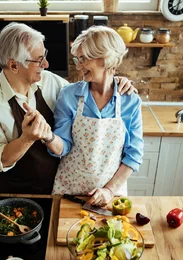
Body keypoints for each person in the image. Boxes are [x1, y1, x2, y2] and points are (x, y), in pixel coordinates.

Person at [0, 22, 136, 195]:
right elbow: (0, 160)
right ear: (14, 65)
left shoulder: (51, 82)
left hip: (60, 188)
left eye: (45, 56)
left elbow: (87, 91)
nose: (47, 64)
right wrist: (27, 139)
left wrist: (114, 81)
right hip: (18, 193)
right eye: (39, 60)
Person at [46, 26, 144, 206]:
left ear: (106, 58)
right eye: (78, 59)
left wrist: (109, 190)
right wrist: (48, 137)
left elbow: (134, 154)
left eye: (83, 59)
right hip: (69, 192)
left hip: (110, 196)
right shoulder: (68, 96)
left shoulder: (130, 101)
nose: (78, 65)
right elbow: (64, 146)